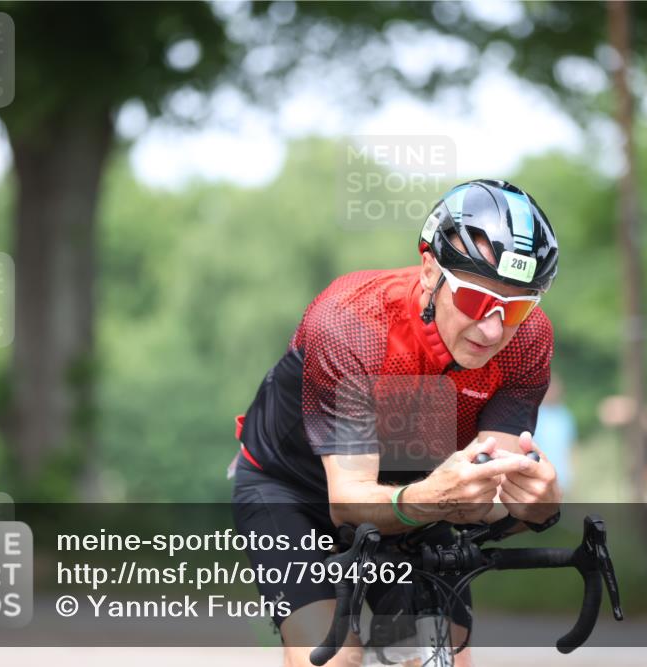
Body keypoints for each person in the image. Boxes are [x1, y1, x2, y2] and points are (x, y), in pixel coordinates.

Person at [231, 179, 562, 667]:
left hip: (417, 485)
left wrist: (534, 508)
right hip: (292, 490)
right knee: (333, 657)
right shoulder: (352, 321)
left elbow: (485, 498)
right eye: (475, 300)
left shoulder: (527, 340)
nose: (493, 328)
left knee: (434, 655)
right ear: (430, 271)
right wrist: (444, 498)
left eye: (515, 306)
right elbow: (349, 503)